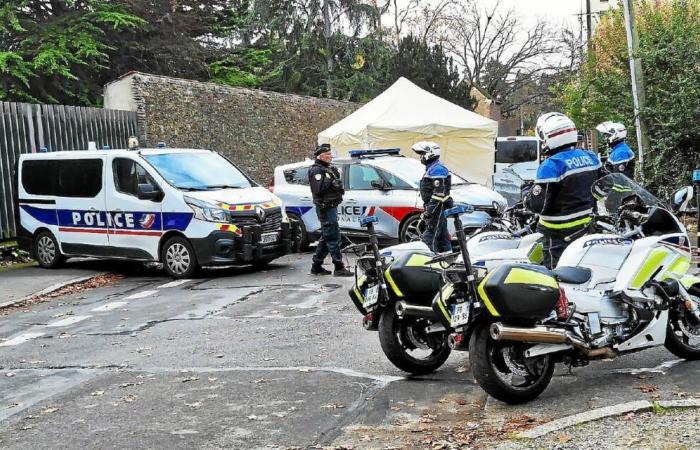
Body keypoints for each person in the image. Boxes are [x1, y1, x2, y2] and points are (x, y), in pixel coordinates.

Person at [526, 113, 601, 269]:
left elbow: (538, 206)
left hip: (558, 235)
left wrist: (527, 193)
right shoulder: (591, 158)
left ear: (548, 137)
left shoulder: (551, 165)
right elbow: (601, 189)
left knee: (556, 276)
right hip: (587, 228)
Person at [308, 144, 353, 277]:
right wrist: (330, 182)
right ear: (320, 156)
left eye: (330, 153)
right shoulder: (316, 170)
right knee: (333, 236)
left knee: (327, 235)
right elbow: (318, 189)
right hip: (325, 207)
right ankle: (338, 267)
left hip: (332, 205)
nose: (330, 156)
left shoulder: (330, 169)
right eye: (327, 154)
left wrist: (336, 183)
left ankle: (316, 265)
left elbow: (337, 186)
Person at [412, 141, 453, 253]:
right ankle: (449, 258)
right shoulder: (432, 168)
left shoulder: (437, 169)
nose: (421, 157)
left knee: (430, 235)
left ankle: (424, 258)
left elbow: (439, 194)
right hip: (435, 207)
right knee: (442, 237)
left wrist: (429, 211)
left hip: (437, 208)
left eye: (422, 154)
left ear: (430, 153)